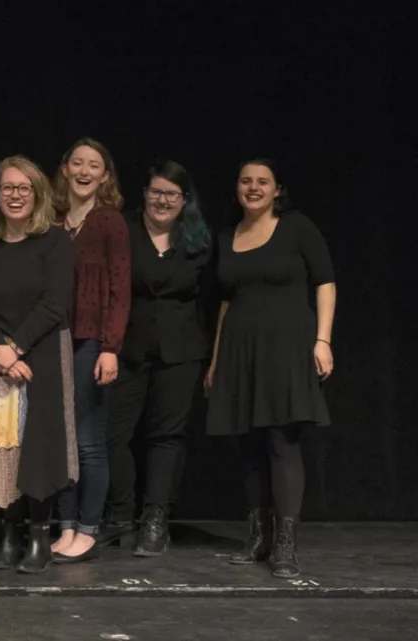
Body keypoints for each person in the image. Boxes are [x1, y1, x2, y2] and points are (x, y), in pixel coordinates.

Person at [207, 159, 334, 579]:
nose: (254, 187)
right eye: (246, 181)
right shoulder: (227, 236)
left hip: (286, 348)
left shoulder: (297, 227)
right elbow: (226, 301)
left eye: (263, 182)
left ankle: (285, 544)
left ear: (278, 189)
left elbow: (325, 282)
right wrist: (216, 359)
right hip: (240, 349)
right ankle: (258, 537)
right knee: (249, 443)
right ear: (237, 188)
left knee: (282, 440)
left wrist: (323, 340)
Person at [0, 156, 77, 575]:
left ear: (37, 194)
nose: (14, 196)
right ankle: (8, 532)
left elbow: (55, 302)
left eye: (23, 188)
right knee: (0, 444)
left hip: (43, 349)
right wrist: (0, 349)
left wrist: (17, 347)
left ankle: (39, 539)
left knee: (39, 444)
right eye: (7, 188)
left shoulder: (55, 240)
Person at [106, 161, 212, 558]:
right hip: (127, 348)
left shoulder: (198, 238)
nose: (162, 200)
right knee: (113, 434)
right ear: (145, 193)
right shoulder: (124, 229)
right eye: (156, 192)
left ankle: (155, 519)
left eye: (171, 194)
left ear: (184, 200)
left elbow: (211, 298)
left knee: (167, 436)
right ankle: (120, 515)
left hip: (181, 350)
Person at [50, 138, 129, 562]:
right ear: (65, 169)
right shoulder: (53, 218)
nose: (84, 171)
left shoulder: (109, 221)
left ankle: (88, 528)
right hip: (55, 339)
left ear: (105, 175)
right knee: (61, 439)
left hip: (92, 340)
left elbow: (120, 289)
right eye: (77, 163)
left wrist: (110, 347)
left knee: (88, 439)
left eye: (93, 165)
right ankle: (65, 525)